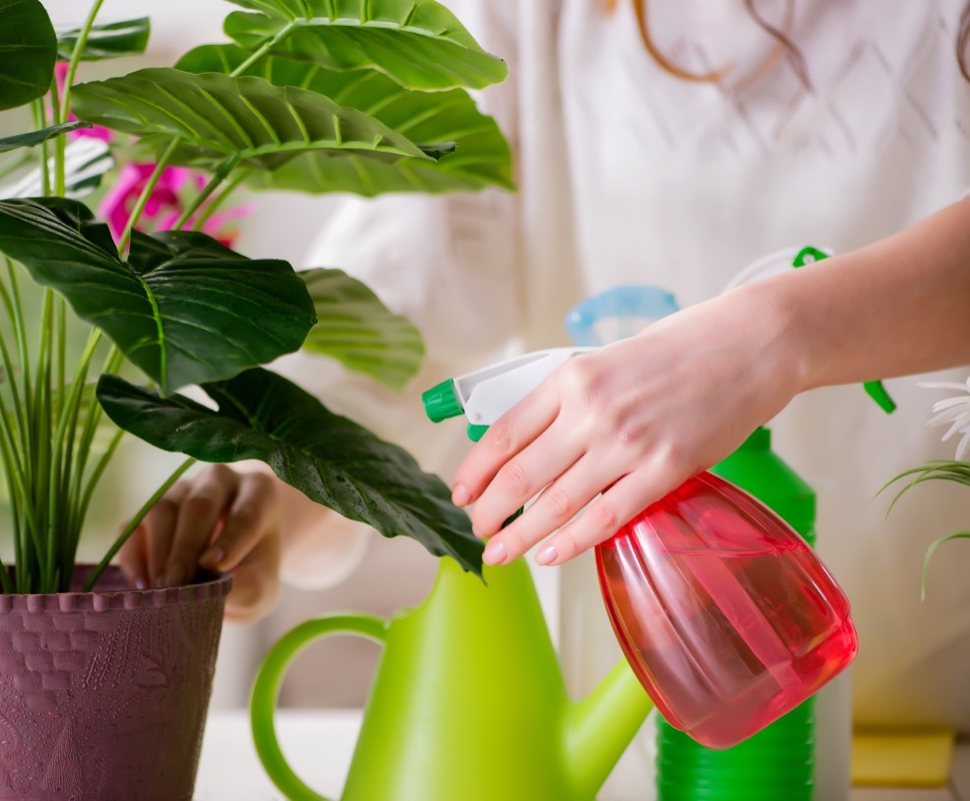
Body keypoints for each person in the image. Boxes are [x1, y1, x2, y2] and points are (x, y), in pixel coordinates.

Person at [122, 0, 970, 736]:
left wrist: (770, 333)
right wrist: (268, 480)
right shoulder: (537, 14)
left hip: (946, 705)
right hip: (642, 708)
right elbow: (398, 312)